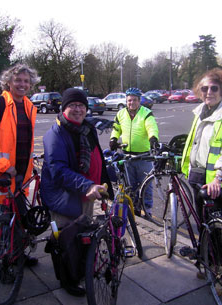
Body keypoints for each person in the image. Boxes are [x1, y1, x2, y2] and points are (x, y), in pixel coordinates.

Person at [40, 88, 114, 296]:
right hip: (65, 197)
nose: (78, 109)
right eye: (72, 105)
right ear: (64, 108)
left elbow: (97, 157)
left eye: (81, 105)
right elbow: (59, 171)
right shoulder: (55, 135)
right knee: (65, 239)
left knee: (82, 236)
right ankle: (67, 280)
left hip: (86, 193)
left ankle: (79, 270)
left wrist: (103, 183)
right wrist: (87, 185)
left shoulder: (86, 129)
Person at [0, 63, 41, 270]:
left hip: (20, 178)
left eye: (26, 81)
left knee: (19, 222)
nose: (22, 84)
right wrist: (4, 166)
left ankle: (17, 256)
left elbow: (24, 140)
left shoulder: (29, 106)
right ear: (8, 82)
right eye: (18, 80)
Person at [181, 68, 222, 222]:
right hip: (198, 177)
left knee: (218, 234)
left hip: (218, 185)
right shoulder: (201, 113)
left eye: (214, 88)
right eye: (204, 88)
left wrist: (218, 178)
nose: (208, 92)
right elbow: (196, 145)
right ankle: (201, 246)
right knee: (203, 225)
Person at [109, 87, 159, 217]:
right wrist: (113, 138)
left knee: (146, 186)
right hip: (127, 155)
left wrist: (153, 138)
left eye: (135, 100)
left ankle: (147, 210)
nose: (132, 103)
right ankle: (135, 209)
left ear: (139, 101)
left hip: (143, 156)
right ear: (126, 101)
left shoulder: (146, 113)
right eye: (129, 100)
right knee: (130, 186)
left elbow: (151, 127)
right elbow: (116, 128)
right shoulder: (121, 114)